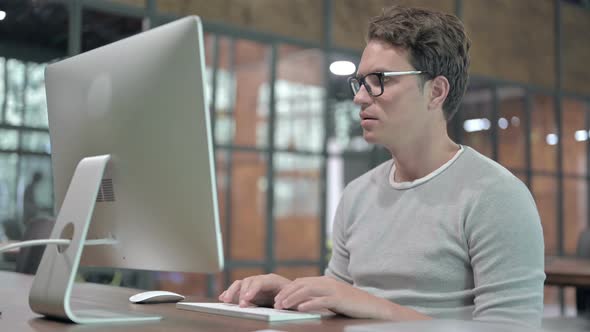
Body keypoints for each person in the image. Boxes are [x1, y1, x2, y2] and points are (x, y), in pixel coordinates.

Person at [219, 5, 545, 327]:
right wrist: (289, 294)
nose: (360, 97)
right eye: (359, 82)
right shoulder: (358, 195)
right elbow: (340, 303)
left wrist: (373, 306)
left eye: (379, 80)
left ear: (436, 91)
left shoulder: (496, 196)